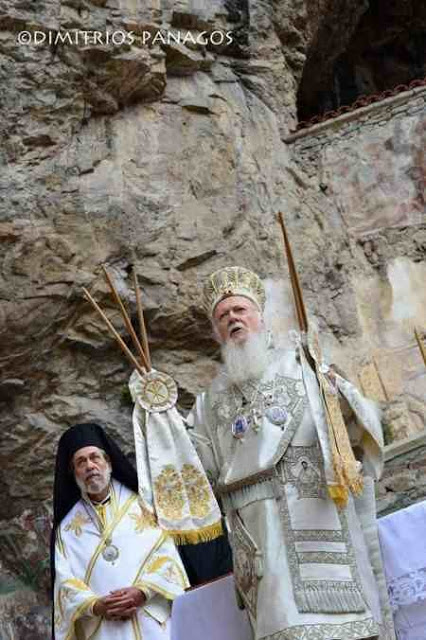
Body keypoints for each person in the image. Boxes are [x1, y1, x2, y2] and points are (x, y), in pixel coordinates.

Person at [184, 266, 395, 640]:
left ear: (260, 316)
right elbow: (195, 470)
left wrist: (333, 389)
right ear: (216, 332)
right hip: (258, 539)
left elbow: (353, 433)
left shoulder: (302, 365)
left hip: (315, 517)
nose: (232, 318)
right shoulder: (206, 404)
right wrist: (159, 419)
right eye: (223, 315)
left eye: (239, 309)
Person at [51, 422, 189, 640]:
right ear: (73, 473)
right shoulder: (66, 530)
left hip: (151, 622)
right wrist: (96, 605)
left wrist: (143, 592)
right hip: (104, 629)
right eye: (81, 462)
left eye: (95, 457)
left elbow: (168, 555)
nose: (90, 466)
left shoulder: (143, 505)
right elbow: (64, 582)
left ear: (108, 463)